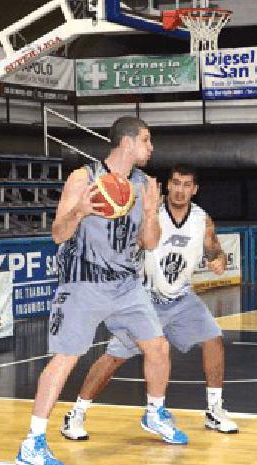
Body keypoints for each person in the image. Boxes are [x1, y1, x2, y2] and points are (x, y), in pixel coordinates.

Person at [15, 116, 186, 465]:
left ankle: (154, 413)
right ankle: (32, 443)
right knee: (65, 359)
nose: (151, 149)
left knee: (157, 346)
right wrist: (79, 210)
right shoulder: (84, 178)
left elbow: (149, 244)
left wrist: (153, 212)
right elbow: (58, 235)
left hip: (125, 284)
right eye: (146, 141)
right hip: (83, 282)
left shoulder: (144, 185)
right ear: (127, 143)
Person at [61, 164, 238, 441]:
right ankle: (77, 413)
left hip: (180, 297)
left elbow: (214, 249)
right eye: (176, 183)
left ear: (195, 190)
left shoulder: (202, 220)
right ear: (168, 185)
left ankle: (215, 409)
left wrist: (219, 260)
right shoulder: (149, 213)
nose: (180, 190)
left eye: (186, 185)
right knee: (115, 357)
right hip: (145, 298)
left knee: (213, 339)